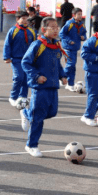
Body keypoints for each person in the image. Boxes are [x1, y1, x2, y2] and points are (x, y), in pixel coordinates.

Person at [21, 17, 67, 157]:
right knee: (38, 117)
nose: (55, 29)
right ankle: (31, 145)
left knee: (52, 112)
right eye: (52, 27)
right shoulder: (38, 45)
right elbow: (26, 63)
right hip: (40, 87)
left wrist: (62, 75)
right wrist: (36, 76)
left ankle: (26, 113)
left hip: (53, 86)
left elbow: (57, 64)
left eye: (56, 27)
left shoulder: (56, 45)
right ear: (43, 30)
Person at [3, 10, 35, 107]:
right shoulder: (13, 30)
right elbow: (7, 44)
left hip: (28, 60)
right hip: (16, 59)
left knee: (26, 79)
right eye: (23, 18)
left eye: (27, 18)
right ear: (17, 19)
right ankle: (13, 97)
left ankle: (23, 97)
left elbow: (35, 45)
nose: (26, 20)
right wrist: (6, 57)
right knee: (19, 77)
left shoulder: (31, 31)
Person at [59, 7, 86, 91]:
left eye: (81, 14)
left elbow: (85, 34)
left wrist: (83, 37)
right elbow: (61, 34)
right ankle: (61, 77)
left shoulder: (81, 25)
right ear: (74, 15)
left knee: (72, 66)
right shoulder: (69, 24)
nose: (80, 16)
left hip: (75, 48)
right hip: (68, 48)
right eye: (78, 14)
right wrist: (69, 41)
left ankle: (70, 84)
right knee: (70, 64)